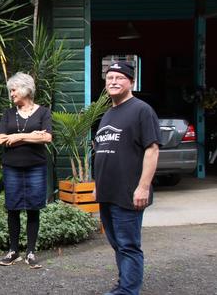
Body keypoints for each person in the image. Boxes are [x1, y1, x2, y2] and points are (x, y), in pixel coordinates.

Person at [93, 61, 161, 295]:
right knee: (117, 244)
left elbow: (152, 150)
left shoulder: (141, 110)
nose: (113, 81)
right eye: (109, 77)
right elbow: (101, 150)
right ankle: (125, 284)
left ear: (131, 81)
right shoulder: (108, 114)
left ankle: (127, 291)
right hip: (108, 192)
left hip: (129, 192)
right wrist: (97, 185)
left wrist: (143, 187)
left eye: (119, 77)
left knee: (128, 245)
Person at [0, 72, 52, 269]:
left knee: (33, 208)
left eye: (13, 90)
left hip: (36, 166)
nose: (11, 94)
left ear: (25, 89)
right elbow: (1, 139)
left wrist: (18, 137)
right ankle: (13, 251)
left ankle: (30, 251)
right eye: (10, 91)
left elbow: (46, 138)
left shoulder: (43, 112)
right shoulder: (8, 114)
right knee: (12, 208)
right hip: (11, 167)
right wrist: (32, 135)